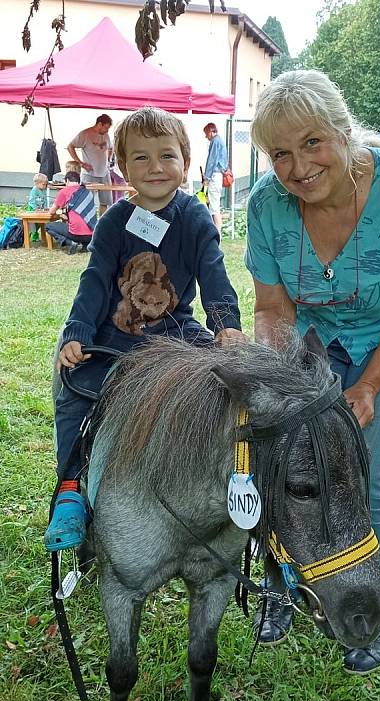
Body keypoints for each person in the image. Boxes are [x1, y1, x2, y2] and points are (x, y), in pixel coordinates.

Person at [245, 70, 380, 674]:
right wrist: (284, 381)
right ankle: (285, 586)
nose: (298, 167)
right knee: (284, 464)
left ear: (344, 131)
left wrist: (368, 385)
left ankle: (370, 609)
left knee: (366, 473)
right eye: (280, 153)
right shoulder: (266, 203)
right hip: (311, 345)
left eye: (312, 142)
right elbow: (273, 306)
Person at [45, 106, 245, 551]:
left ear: (185, 162)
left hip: (176, 333)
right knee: (77, 393)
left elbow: (213, 273)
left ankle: (236, 486)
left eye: (166, 155)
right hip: (114, 336)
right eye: (140, 158)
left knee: (228, 390)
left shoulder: (194, 217)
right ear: (120, 164)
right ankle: (72, 488)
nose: (155, 167)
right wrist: (78, 331)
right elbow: (95, 278)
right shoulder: (115, 220)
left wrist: (226, 325)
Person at [67, 114, 113, 215]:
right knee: (86, 201)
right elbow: (70, 146)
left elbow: (110, 147)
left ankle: (102, 226)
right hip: (89, 174)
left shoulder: (106, 135)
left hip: (104, 173)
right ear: (99, 124)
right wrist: (81, 163)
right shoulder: (85, 134)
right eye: (106, 127)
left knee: (105, 202)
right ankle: (88, 226)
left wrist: (109, 160)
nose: (107, 131)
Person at [45, 171, 96, 255]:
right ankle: (85, 245)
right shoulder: (88, 192)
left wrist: (59, 213)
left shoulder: (64, 192)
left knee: (48, 226)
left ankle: (70, 242)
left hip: (76, 234)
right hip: (91, 235)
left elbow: (52, 211)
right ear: (78, 181)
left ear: (67, 181)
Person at [203, 122, 228, 235]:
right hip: (218, 175)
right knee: (214, 205)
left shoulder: (215, 141)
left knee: (214, 207)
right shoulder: (219, 141)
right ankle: (216, 233)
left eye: (206, 133)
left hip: (214, 175)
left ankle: (216, 235)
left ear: (211, 131)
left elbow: (212, 160)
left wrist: (206, 178)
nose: (205, 136)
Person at [27, 172, 48, 241]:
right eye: (43, 184)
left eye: (46, 184)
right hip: (32, 208)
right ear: (37, 183)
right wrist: (35, 209)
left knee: (39, 222)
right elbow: (32, 201)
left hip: (40, 208)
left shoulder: (44, 190)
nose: (45, 186)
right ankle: (32, 236)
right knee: (32, 224)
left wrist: (45, 207)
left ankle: (36, 234)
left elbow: (45, 199)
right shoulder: (34, 190)